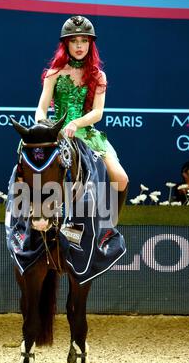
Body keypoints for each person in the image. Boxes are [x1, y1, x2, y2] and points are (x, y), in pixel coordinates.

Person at [35, 15, 129, 220]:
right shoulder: (54, 73)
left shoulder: (98, 75)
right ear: (65, 44)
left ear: (90, 44)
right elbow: (41, 110)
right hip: (57, 135)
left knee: (121, 179)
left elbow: (98, 113)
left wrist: (76, 123)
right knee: (29, 169)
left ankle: (108, 229)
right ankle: (29, 222)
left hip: (87, 134)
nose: (79, 46)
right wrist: (44, 128)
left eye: (84, 41)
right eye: (74, 41)